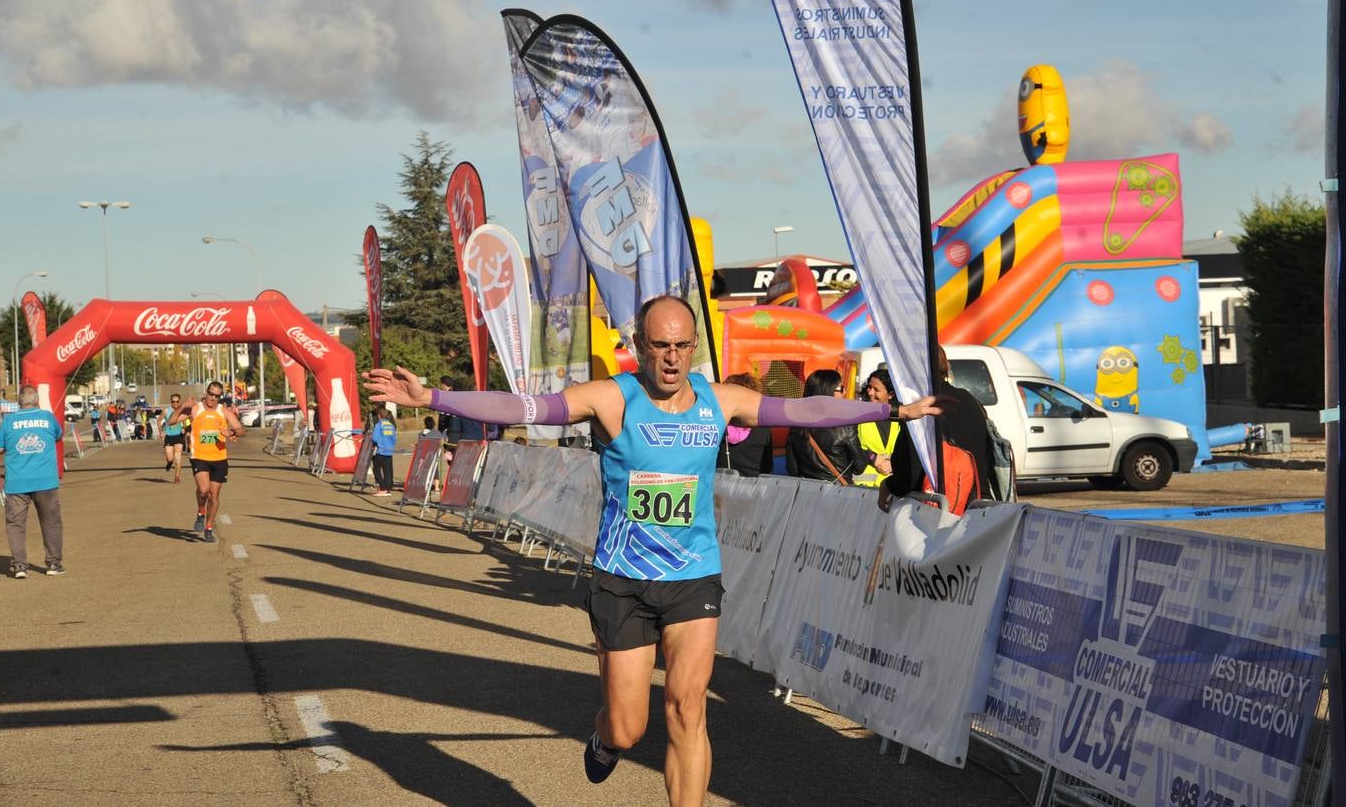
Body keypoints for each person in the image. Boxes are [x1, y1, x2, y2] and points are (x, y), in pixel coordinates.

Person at [363, 295, 940, 806]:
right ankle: (604, 738)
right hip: (623, 582)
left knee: (689, 709)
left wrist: (889, 411)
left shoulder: (719, 400)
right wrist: (433, 396)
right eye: (659, 345)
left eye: (681, 346)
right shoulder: (613, 399)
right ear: (640, 345)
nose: (670, 357)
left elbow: (802, 412)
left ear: (693, 347)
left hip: (694, 577)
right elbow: (526, 408)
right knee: (628, 727)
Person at [880, 345, 995, 510]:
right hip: (977, 506)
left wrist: (887, 486)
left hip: (938, 511)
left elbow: (908, 476)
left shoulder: (920, 408)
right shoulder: (969, 400)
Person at [0, 386, 65, 578]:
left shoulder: (9, 421)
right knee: (51, 523)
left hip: (17, 482)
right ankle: (53, 564)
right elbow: (58, 435)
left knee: (15, 525)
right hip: (45, 481)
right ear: (37, 402)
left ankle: (19, 566)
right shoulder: (48, 418)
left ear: (19, 403)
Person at [172, 382, 246, 543]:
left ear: (220, 397)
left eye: (217, 396)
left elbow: (241, 430)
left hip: (219, 458)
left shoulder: (223, 411)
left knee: (214, 496)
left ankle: (209, 527)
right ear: (206, 393)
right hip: (199, 455)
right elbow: (172, 421)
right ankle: (201, 512)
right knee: (204, 490)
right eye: (211, 394)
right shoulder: (196, 408)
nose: (213, 398)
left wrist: (232, 431)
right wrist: (183, 405)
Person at [785, 369, 867, 484]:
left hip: (808, 492)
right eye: (841, 388)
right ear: (828, 392)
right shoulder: (845, 425)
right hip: (838, 494)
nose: (844, 392)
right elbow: (859, 468)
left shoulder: (795, 426)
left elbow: (793, 469)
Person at [716, 373, 772, 477]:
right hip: (753, 487)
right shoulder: (763, 429)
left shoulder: (717, 427)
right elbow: (767, 466)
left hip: (720, 487)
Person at [854, 368, 899, 488]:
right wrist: (872, 458)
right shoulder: (856, 415)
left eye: (876, 390)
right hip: (862, 487)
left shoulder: (901, 420)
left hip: (891, 488)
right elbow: (848, 445)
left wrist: (893, 463)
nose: (870, 392)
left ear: (891, 395)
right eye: (869, 387)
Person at [369, 407, 398, 497]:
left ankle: (382, 488)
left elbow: (374, 438)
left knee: (376, 469)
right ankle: (387, 489)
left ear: (379, 416)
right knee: (387, 470)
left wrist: (377, 442)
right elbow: (394, 439)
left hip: (381, 451)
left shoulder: (379, 425)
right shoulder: (391, 425)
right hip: (389, 451)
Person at [160, 394, 187, 484]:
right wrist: (161, 431)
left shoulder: (181, 411)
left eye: (177, 401)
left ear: (179, 401)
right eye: (173, 401)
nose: (175, 403)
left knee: (178, 457)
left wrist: (184, 427)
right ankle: (169, 463)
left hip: (178, 435)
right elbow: (159, 420)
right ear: (171, 401)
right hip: (169, 436)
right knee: (170, 458)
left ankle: (177, 477)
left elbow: (184, 421)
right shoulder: (166, 410)